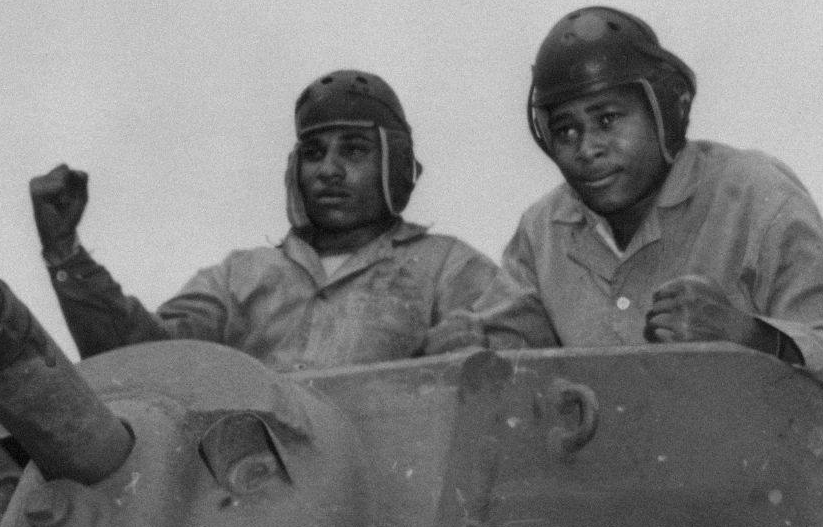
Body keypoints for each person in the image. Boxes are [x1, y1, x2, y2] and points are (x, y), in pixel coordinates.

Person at [472, 6, 823, 417]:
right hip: (606, 482)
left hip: (751, 476)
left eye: (608, 118)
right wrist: (464, 347)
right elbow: (506, 355)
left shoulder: (754, 193)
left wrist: (752, 337)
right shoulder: (543, 229)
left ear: (666, 113)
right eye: (566, 130)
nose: (587, 147)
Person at [29, 71, 499, 373]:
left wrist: (473, 351)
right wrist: (65, 253)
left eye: (353, 151)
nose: (329, 169)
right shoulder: (240, 277)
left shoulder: (448, 269)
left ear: (394, 164)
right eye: (313, 154)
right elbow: (143, 360)